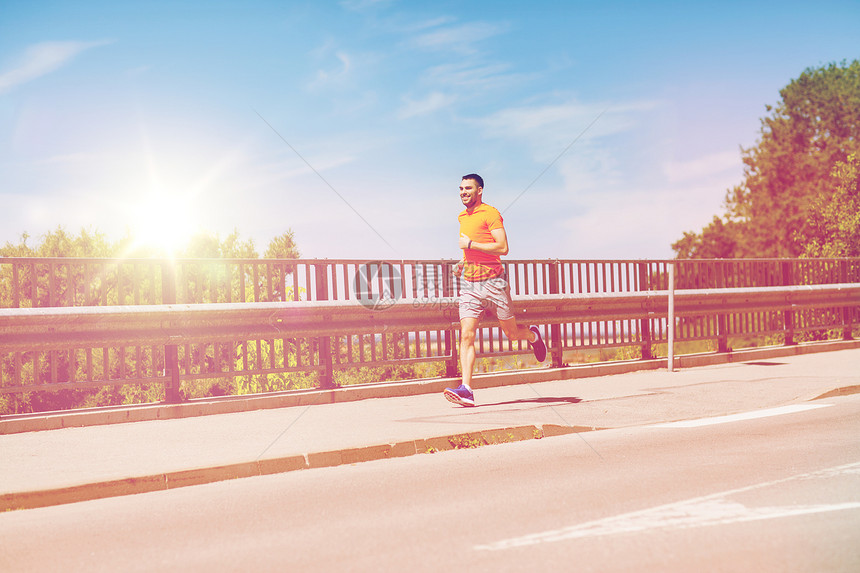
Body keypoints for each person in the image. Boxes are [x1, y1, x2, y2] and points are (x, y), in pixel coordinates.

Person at [443, 174, 546, 407]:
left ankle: (532, 335)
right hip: (469, 284)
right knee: (466, 334)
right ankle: (466, 389)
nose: (463, 192)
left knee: (510, 333)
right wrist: (464, 261)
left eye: (468, 188)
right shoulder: (462, 216)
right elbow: (469, 248)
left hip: (494, 282)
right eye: (460, 188)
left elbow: (503, 247)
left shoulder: (490, 213)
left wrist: (471, 245)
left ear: (479, 190)